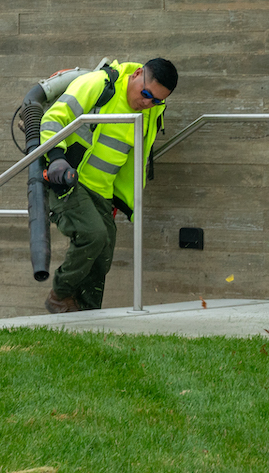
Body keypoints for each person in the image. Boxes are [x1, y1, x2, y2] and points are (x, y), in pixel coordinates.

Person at [39, 58, 177, 313]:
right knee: (94, 236)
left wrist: (121, 198)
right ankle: (59, 294)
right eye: (146, 94)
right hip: (69, 179)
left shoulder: (151, 111)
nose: (148, 103)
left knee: (103, 253)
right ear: (137, 74)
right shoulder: (98, 85)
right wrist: (57, 159)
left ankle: (89, 313)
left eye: (157, 100)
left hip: (103, 192)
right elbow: (53, 118)